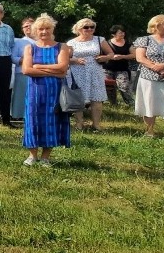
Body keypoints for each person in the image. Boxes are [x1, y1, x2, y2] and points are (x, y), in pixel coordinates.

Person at [21, 14, 70, 167]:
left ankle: (46, 157)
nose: (44, 32)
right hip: (35, 91)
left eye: (47, 28)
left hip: (54, 92)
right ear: (36, 30)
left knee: (52, 121)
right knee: (32, 120)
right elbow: (26, 70)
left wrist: (38, 66)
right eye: (41, 29)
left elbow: (63, 67)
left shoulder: (62, 47)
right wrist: (54, 72)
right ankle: (32, 155)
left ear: (52, 29)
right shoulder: (30, 47)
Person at [66, 18, 114, 131]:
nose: (89, 29)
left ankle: (96, 125)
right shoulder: (72, 43)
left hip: (95, 72)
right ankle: (79, 124)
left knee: (96, 98)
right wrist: (75, 60)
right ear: (79, 29)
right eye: (86, 27)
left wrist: (105, 57)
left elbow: (111, 53)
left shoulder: (99, 40)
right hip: (78, 72)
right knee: (79, 98)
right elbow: (65, 58)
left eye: (92, 27)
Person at [103, 25, 136, 105]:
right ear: (113, 34)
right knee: (109, 87)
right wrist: (110, 57)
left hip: (122, 69)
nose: (122, 34)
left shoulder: (128, 44)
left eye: (123, 32)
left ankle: (131, 103)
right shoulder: (107, 43)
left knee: (124, 86)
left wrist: (122, 56)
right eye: (120, 33)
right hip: (107, 68)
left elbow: (134, 55)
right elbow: (101, 55)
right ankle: (113, 104)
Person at [10, 17, 35, 121]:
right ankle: (20, 116)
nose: (28, 28)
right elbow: (12, 57)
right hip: (22, 72)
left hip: (40, 72)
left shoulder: (42, 41)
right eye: (25, 26)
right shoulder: (19, 42)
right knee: (22, 95)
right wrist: (24, 60)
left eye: (30, 25)